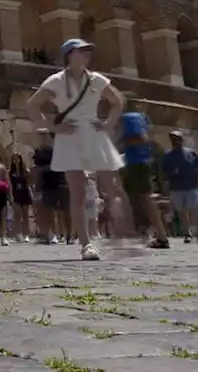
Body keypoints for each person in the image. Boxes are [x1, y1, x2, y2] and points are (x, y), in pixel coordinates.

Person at [26, 38, 128, 261]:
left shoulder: (96, 79)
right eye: (81, 51)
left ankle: (121, 235)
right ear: (68, 55)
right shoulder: (56, 81)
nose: (86, 55)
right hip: (69, 134)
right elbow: (32, 105)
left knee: (111, 186)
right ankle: (86, 244)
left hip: (93, 131)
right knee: (78, 192)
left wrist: (109, 123)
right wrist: (52, 126)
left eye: (88, 51)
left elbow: (117, 101)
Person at [118, 112, 170, 249]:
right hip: (138, 163)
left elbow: (141, 138)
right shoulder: (140, 118)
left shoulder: (130, 118)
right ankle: (154, 233)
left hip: (137, 164)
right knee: (140, 200)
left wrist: (122, 141)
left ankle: (161, 236)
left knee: (146, 200)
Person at [161, 130, 198, 243]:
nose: (175, 141)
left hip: (192, 186)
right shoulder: (168, 156)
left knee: (194, 209)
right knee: (182, 211)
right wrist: (166, 182)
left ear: (181, 140)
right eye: (172, 139)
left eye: (177, 139)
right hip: (176, 187)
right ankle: (187, 233)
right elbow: (163, 173)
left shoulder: (191, 153)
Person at [32, 129, 67, 244]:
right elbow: (37, 169)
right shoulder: (39, 151)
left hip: (57, 180)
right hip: (45, 182)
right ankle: (49, 233)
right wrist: (36, 184)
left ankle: (59, 233)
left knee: (60, 210)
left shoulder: (56, 148)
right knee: (46, 209)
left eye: (44, 135)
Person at [8, 153, 33, 243]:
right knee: (17, 215)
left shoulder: (25, 171)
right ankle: (18, 234)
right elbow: (9, 185)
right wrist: (10, 196)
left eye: (17, 159)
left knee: (25, 215)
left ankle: (26, 234)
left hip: (24, 193)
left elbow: (30, 181)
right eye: (14, 159)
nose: (16, 161)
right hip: (15, 194)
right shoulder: (10, 172)